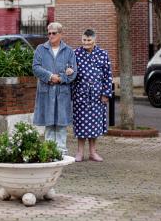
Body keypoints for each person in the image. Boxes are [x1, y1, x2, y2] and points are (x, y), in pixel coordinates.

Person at [32, 22, 77, 155]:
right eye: (49, 33)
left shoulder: (68, 51)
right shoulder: (41, 49)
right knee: (49, 122)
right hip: (46, 91)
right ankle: (49, 150)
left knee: (61, 123)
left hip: (62, 92)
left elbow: (73, 72)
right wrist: (50, 76)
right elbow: (35, 68)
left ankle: (61, 151)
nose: (50, 35)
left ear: (60, 34)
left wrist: (61, 78)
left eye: (54, 33)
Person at [72, 28, 113, 162]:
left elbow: (108, 75)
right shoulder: (75, 54)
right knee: (81, 124)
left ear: (95, 40)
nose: (86, 42)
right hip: (81, 94)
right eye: (84, 40)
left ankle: (93, 152)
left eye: (89, 40)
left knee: (94, 124)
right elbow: (70, 72)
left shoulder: (103, 54)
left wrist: (106, 93)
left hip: (97, 95)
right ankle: (79, 152)